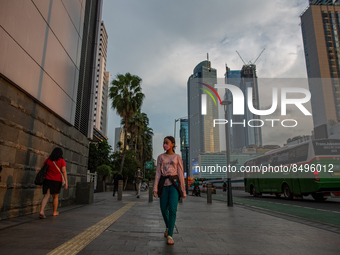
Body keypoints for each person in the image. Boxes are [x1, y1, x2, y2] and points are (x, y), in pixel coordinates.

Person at [153, 136, 186, 245]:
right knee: (163, 209)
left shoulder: (177, 157)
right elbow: (158, 173)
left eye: (167, 142)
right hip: (163, 185)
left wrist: (183, 190)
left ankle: (170, 235)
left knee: (172, 209)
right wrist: (155, 188)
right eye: (164, 142)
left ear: (172, 144)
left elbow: (181, 174)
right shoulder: (160, 157)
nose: (164, 144)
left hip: (174, 186)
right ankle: (168, 226)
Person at [39, 147, 68, 219]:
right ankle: (54, 212)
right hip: (57, 180)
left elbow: (43, 168)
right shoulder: (61, 161)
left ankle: (42, 211)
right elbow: (64, 171)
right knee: (55, 196)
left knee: (46, 195)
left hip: (47, 180)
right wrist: (66, 182)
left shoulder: (48, 160)